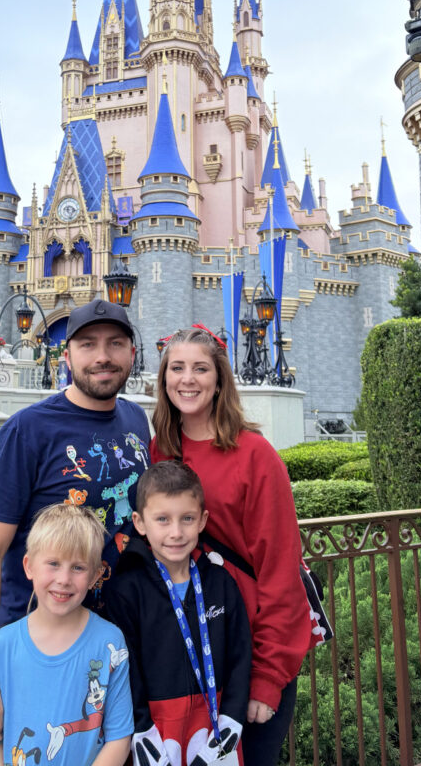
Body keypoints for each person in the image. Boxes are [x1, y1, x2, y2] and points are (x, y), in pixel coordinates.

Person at [0, 298, 150, 764]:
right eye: (87, 345)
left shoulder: (135, 421)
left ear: (131, 354)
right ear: (66, 356)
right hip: (36, 657)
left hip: (115, 651)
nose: (101, 356)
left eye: (114, 344)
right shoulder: (28, 431)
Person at [151, 327, 318, 766]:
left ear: (220, 379)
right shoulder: (160, 449)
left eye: (200, 368)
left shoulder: (254, 455)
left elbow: (280, 570)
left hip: (247, 649)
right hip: (185, 648)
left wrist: (267, 677)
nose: (188, 379)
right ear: (164, 378)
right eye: (177, 368)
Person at [104, 461, 251, 766]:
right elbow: (123, 669)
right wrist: (142, 728)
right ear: (140, 523)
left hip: (215, 726)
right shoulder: (125, 591)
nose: (176, 532)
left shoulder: (222, 583)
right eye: (162, 519)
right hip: (157, 731)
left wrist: (231, 721)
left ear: (202, 520)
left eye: (187, 518)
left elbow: (240, 657)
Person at [0, 503, 133, 766]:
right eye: (53, 564)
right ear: (29, 566)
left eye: (78, 568)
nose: (64, 579)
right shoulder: (4, 645)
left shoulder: (110, 643)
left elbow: (119, 739)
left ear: (95, 575)